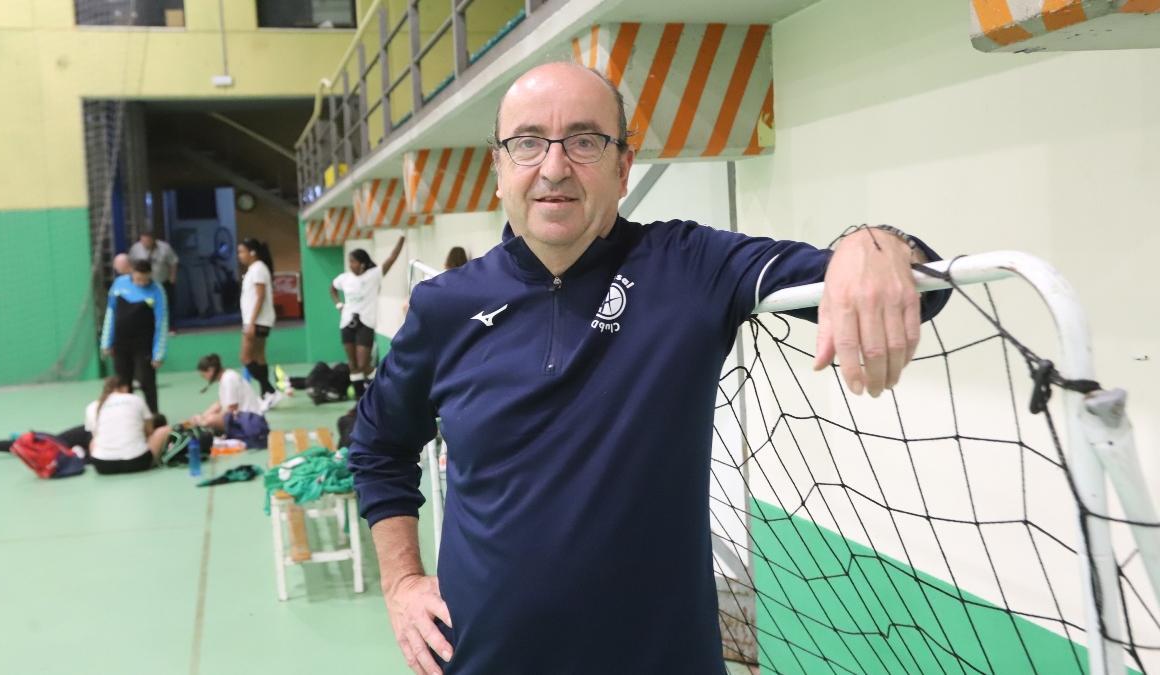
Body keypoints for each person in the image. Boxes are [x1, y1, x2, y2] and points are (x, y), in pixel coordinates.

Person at [348, 62, 951, 675]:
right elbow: (378, 446)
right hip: (483, 658)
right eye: (528, 142)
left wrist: (876, 246)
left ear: (623, 166)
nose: (554, 167)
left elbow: (915, 288)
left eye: (585, 141)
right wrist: (401, 583)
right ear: (499, 166)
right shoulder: (446, 306)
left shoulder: (690, 266)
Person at [330, 237, 405, 399]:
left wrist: (402, 238)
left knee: (363, 364)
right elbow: (332, 288)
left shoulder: (373, 275)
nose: (351, 265)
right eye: (349, 262)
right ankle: (360, 398)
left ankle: (382, 384)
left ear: (362, 263)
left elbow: (391, 258)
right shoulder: (344, 278)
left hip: (366, 322)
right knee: (353, 365)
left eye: (354, 262)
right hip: (347, 322)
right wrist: (339, 305)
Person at [101, 259, 167, 413]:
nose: (142, 283)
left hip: (143, 344)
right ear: (131, 272)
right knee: (123, 383)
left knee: (147, 381)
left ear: (150, 275)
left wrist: (159, 353)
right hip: (120, 343)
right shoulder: (119, 284)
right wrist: (106, 342)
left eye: (145, 279)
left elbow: (161, 322)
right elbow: (110, 314)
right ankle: (128, 416)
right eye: (138, 279)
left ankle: (153, 417)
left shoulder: (157, 290)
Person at [85, 376, 171, 475]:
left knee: (94, 441)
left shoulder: (92, 406)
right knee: (164, 430)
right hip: (137, 462)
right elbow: (149, 431)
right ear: (125, 388)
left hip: (102, 466)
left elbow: (95, 436)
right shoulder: (135, 399)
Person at [238, 238, 280, 408]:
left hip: (257, 321)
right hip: (258, 321)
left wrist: (251, 322)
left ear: (252, 252)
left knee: (246, 357)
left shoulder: (258, 269)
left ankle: (269, 390)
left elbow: (260, 296)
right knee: (259, 357)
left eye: (242, 251)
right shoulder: (255, 269)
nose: (239, 255)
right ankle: (267, 394)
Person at [189, 354, 268, 446]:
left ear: (210, 370)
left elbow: (231, 409)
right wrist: (202, 416)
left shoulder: (229, 378)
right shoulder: (226, 377)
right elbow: (219, 404)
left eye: (203, 375)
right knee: (208, 418)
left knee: (210, 420)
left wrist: (204, 421)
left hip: (251, 421)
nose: (204, 378)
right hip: (246, 418)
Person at [129, 230, 179, 310]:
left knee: (164, 306)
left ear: (153, 240)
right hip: (143, 284)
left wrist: (172, 277)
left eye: (147, 241)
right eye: (142, 241)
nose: (144, 243)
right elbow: (130, 263)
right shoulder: (136, 248)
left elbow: (173, 262)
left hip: (162, 283)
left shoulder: (165, 248)